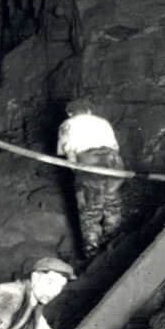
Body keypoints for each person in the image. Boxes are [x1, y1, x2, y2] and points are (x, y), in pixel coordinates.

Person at [59, 107, 127, 259]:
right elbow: (115, 147)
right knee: (112, 200)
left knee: (89, 208)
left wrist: (77, 172)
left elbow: (68, 151)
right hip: (113, 159)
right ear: (89, 111)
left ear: (70, 113)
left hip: (89, 160)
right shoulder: (102, 121)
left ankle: (92, 250)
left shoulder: (67, 124)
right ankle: (115, 240)